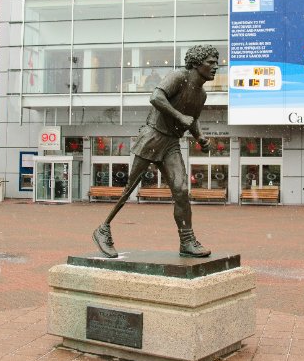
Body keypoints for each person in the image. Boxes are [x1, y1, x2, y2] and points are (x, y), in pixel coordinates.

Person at [92, 45, 219, 258]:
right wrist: (179, 117)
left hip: (171, 143)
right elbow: (156, 97)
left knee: (181, 191)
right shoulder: (179, 76)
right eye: (211, 63)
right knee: (130, 187)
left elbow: (192, 119)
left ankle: (186, 241)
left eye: (217, 63)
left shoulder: (201, 94)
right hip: (153, 135)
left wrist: (200, 137)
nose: (216, 67)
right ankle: (102, 229)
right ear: (197, 64)